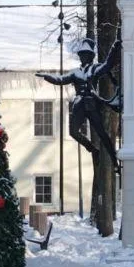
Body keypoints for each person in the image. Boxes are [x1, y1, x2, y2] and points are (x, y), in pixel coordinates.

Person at [36, 37, 122, 170]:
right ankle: (93, 149)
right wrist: (47, 77)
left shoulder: (94, 69)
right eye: (81, 55)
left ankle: (114, 160)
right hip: (79, 105)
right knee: (73, 132)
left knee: (102, 134)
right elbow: (61, 79)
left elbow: (107, 65)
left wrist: (114, 47)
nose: (83, 57)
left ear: (91, 56)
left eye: (86, 54)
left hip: (92, 104)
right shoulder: (75, 72)